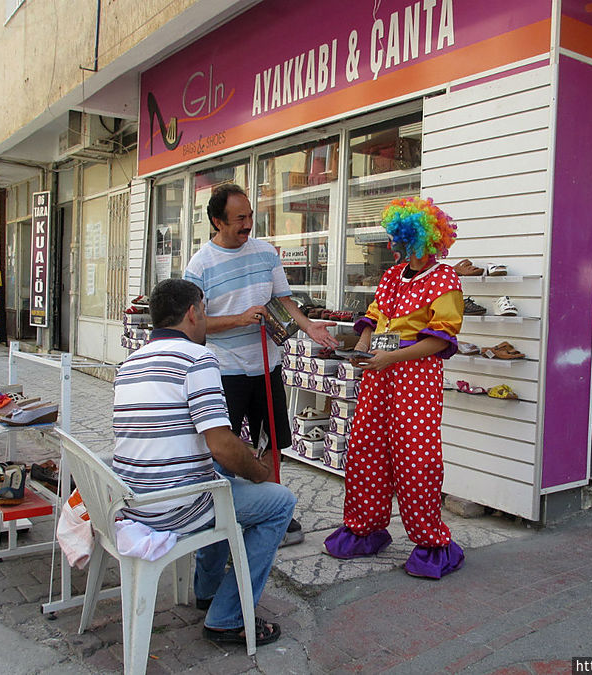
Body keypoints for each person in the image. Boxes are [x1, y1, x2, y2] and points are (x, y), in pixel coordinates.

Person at [112, 278, 295, 646]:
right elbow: (222, 445)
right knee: (279, 503)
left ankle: (208, 590)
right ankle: (226, 617)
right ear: (193, 312)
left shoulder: (129, 363)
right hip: (173, 507)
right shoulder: (197, 358)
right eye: (206, 310)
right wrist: (262, 474)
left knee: (222, 482)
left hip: (132, 502)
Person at [184, 183, 338, 546]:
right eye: (240, 218)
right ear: (216, 221)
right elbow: (195, 325)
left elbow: (283, 301)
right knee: (223, 447)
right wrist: (238, 319)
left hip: (267, 365)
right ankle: (217, 516)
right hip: (224, 370)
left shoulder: (266, 253)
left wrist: (309, 326)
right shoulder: (199, 265)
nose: (248, 224)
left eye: (250, 216)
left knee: (272, 442)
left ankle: (274, 511)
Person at [323, 196, 465, 579]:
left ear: (420, 238)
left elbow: (440, 341)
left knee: (415, 459)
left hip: (415, 379)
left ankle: (430, 541)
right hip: (378, 375)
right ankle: (365, 527)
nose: (393, 245)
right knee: (366, 448)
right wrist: (363, 350)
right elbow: (372, 319)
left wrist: (391, 358)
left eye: (399, 238)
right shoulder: (391, 277)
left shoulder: (445, 280)